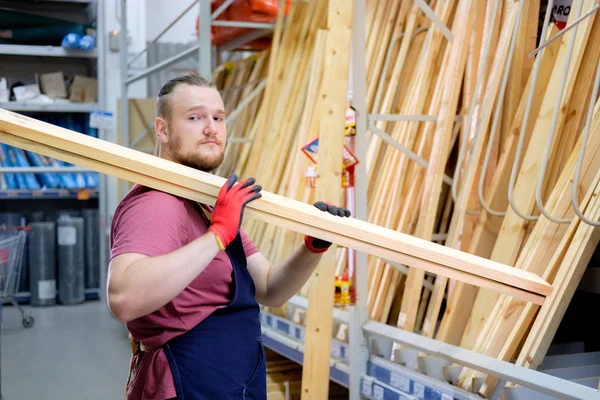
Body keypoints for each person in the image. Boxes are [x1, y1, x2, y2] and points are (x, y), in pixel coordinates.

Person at [106, 73, 351, 400]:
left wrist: (312, 247)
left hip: (231, 382)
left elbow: (269, 288)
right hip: (188, 383)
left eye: (218, 118)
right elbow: (123, 299)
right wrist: (218, 234)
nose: (211, 128)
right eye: (195, 117)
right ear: (162, 129)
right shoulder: (158, 203)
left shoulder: (206, 204)